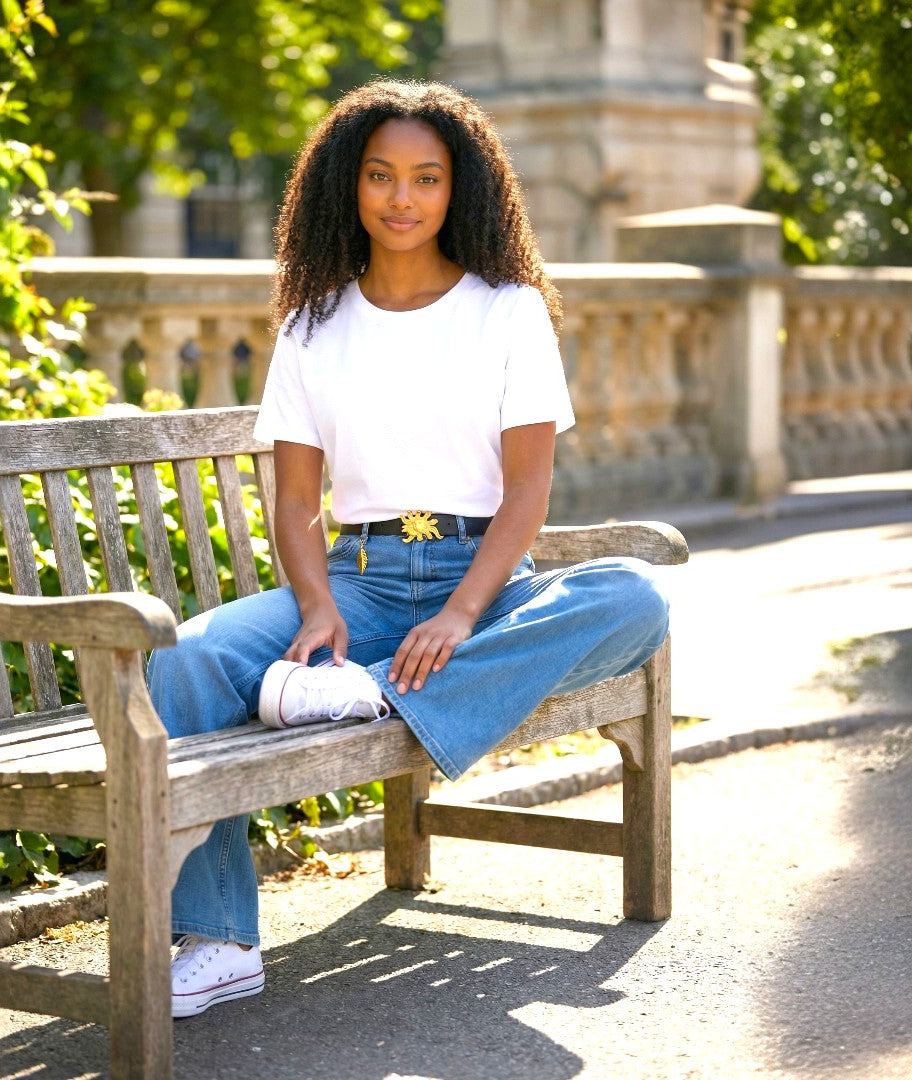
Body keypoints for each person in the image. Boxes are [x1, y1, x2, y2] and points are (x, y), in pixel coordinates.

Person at [147, 79, 670, 1019]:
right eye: (382, 176)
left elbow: (528, 493)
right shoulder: (313, 324)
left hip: (486, 580)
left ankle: (375, 693)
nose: (402, 198)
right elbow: (298, 496)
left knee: (635, 598)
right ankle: (219, 938)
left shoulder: (507, 310)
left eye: (426, 179)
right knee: (181, 661)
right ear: (348, 185)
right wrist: (316, 607)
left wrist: (465, 611)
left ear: (456, 190)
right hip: (361, 582)